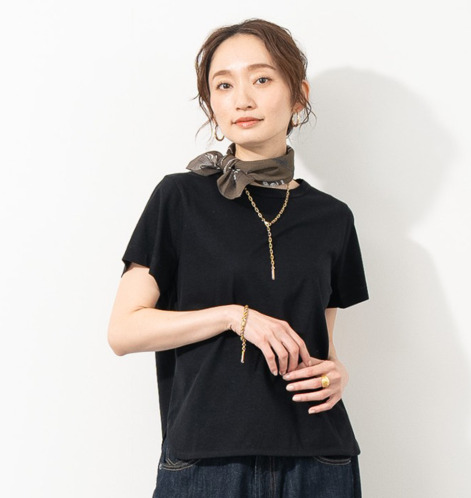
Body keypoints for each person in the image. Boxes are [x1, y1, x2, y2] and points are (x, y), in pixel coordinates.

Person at [108, 18, 369, 498]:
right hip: (207, 460)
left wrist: (337, 373)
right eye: (223, 85)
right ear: (211, 104)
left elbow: (321, 347)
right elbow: (124, 331)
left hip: (319, 458)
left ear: (299, 95)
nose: (242, 99)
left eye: (262, 79)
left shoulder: (332, 217)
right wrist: (234, 316)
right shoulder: (179, 198)